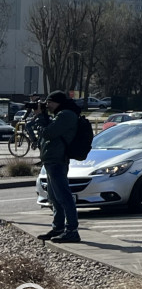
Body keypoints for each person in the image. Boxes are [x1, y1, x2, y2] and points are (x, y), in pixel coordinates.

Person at [35, 91, 82, 243]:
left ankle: (72, 230)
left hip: (57, 160)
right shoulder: (60, 115)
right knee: (54, 197)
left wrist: (40, 117)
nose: (46, 105)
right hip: (52, 160)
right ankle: (59, 227)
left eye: (49, 102)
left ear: (58, 102)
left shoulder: (66, 115)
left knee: (64, 196)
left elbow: (48, 133)